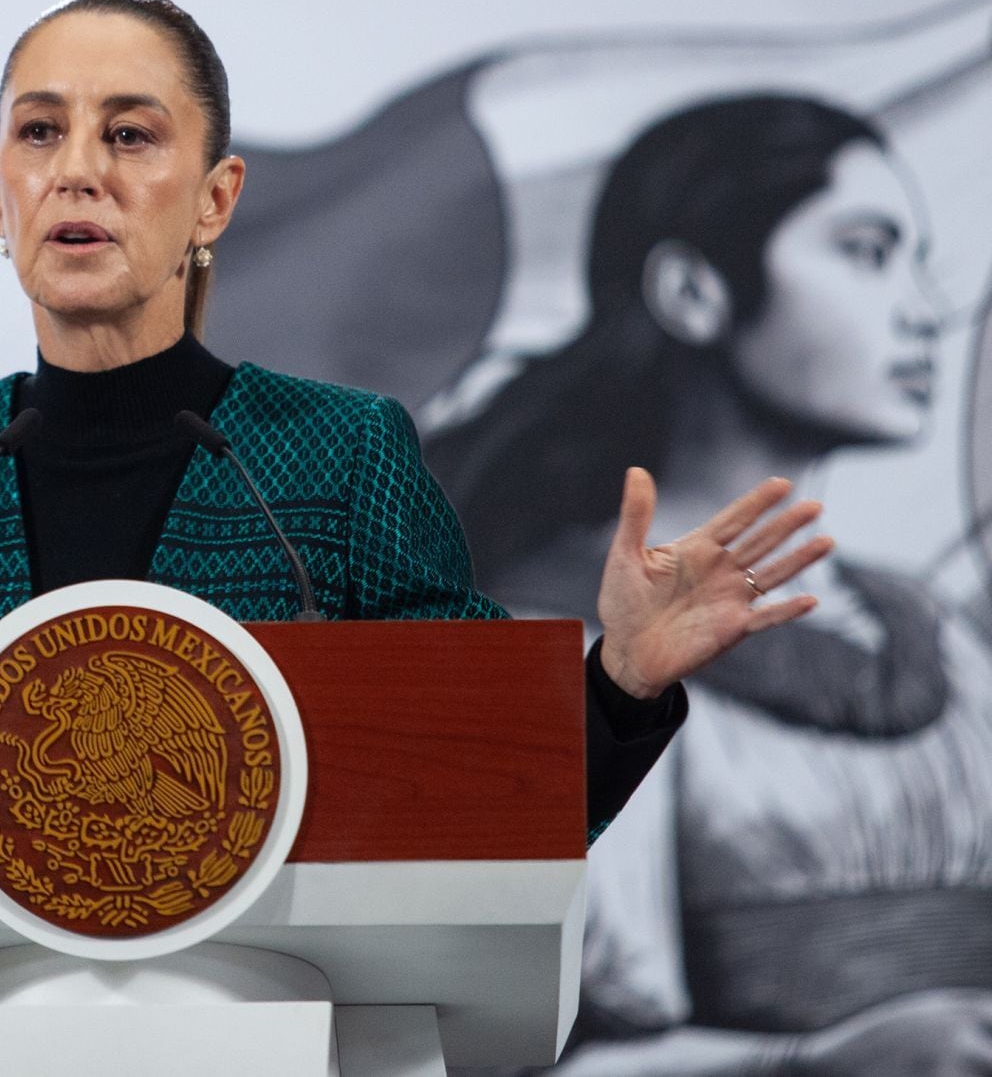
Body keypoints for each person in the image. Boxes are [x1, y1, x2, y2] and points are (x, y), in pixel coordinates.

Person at [0, 0, 831, 846]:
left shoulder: (341, 454)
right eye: (39, 134)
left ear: (216, 200)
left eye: (130, 135)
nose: (77, 169)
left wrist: (620, 682)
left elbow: (485, 793)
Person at [425, 93, 992, 1072]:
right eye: (865, 250)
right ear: (694, 290)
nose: (928, 309)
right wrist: (810, 1060)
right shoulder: (542, 641)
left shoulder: (939, 632)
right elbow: (516, 1050)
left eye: (916, 259)